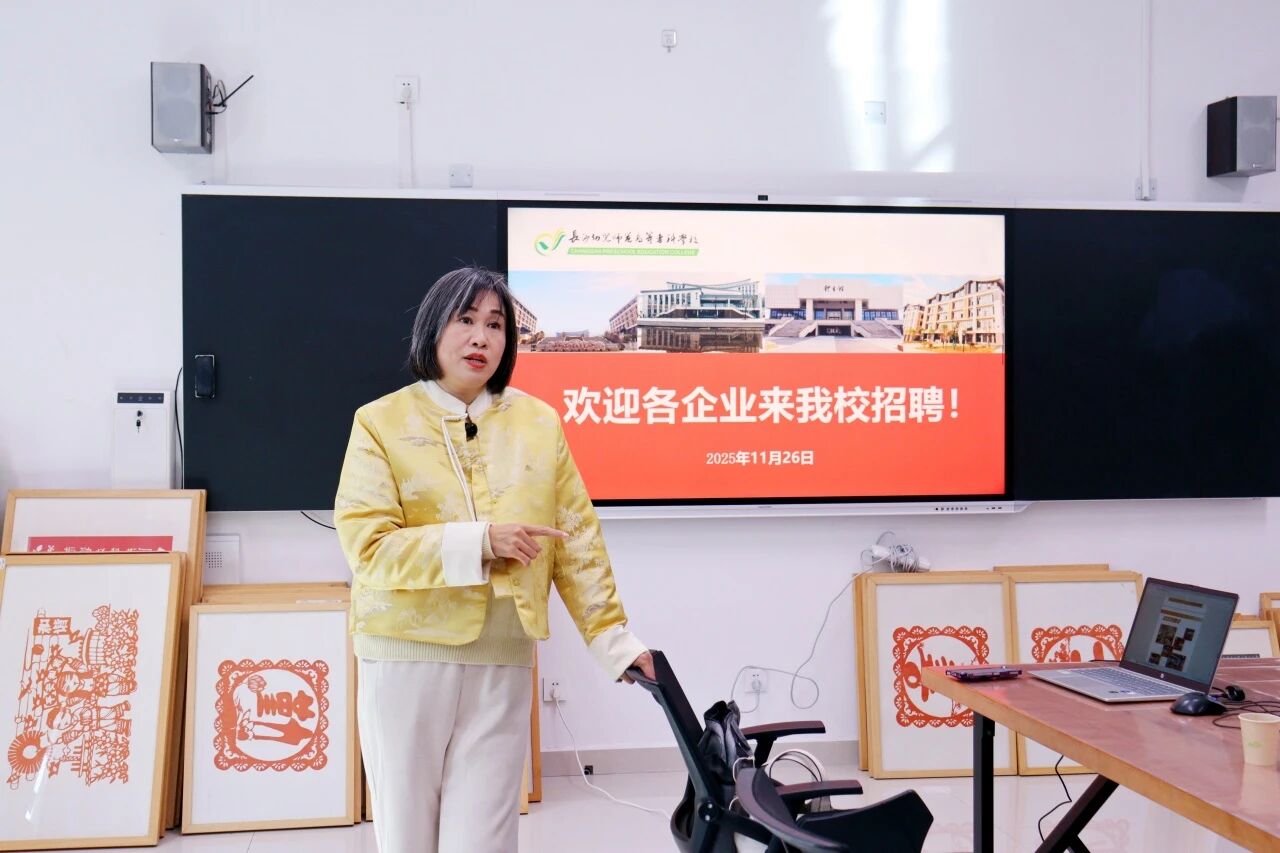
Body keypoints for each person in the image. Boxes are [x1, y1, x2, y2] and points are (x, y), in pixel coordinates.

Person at [334, 267, 653, 853]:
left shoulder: (539, 423)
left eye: (496, 324)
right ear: (433, 328)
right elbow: (368, 548)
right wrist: (479, 542)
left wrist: (614, 641)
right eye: (466, 319)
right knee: (408, 835)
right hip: (405, 653)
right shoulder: (380, 422)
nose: (481, 337)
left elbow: (576, 539)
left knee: (486, 836)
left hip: (503, 652)